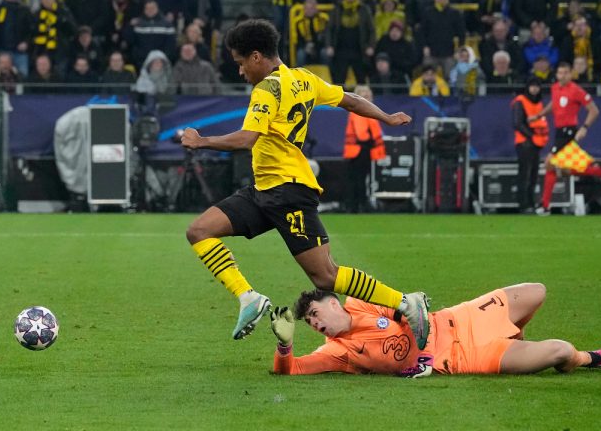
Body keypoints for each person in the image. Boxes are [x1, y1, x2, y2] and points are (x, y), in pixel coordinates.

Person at [180, 19, 430, 346]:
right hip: (264, 190)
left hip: (288, 192)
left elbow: (247, 139)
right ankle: (249, 298)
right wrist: (385, 116)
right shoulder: (305, 78)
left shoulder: (267, 88)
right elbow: (349, 99)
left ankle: (405, 303)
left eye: (241, 63)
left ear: (257, 57)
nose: (241, 72)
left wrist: (201, 141)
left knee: (325, 275)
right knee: (199, 231)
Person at [269, 282, 601, 376]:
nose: (315, 325)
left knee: (536, 292)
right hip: (464, 356)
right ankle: (585, 359)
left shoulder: (361, 301)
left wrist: (420, 355)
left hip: (461, 318)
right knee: (560, 351)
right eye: (310, 324)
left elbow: (413, 307)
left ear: (334, 303)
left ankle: (517, 336)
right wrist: (285, 347)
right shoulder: (338, 352)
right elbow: (293, 368)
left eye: (315, 315)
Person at [531, 62, 601, 215]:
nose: (562, 76)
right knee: (564, 169)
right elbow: (554, 104)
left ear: (571, 74)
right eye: (559, 73)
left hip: (569, 132)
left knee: (549, 163)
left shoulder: (576, 90)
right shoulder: (555, 87)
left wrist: (584, 127)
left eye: (565, 73)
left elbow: (594, 110)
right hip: (559, 132)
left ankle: (545, 206)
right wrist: (540, 115)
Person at [342, 85, 386, 213]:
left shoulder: (361, 112)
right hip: (360, 150)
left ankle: (354, 206)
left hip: (356, 151)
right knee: (359, 180)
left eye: (368, 95)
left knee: (356, 179)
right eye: (365, 95)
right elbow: (362, 134)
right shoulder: (361, 112)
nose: (368, 98)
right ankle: (359, 206)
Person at [511, 78, 548, 213]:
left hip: (535, 143)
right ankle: (523, 204)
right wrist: (532, 136)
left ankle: (531, 203)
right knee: (525, 174)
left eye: (537, 86)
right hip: (525, 143)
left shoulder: (538, 103)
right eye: (532, 86)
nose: (534, 89)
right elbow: (517, 123)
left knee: (533, 175)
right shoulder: (520, 101)